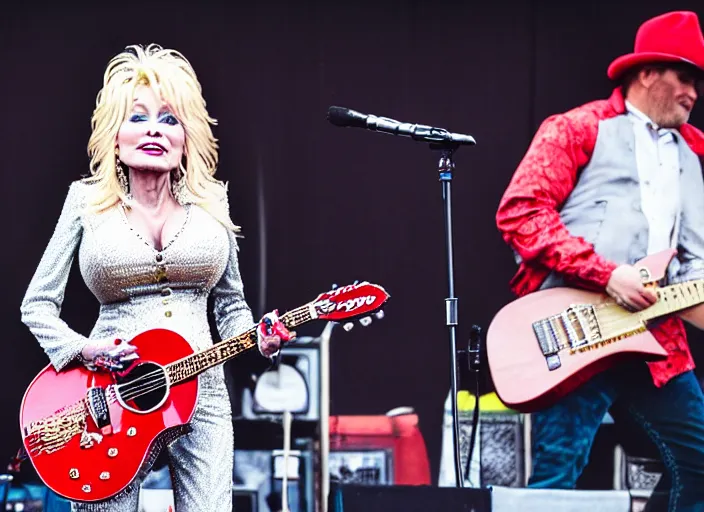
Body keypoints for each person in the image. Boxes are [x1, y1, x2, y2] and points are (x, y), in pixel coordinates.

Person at [20, 44, 289, 511]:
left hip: (202, 394)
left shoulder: (213, 206)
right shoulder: (86, 202)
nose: (154, 130)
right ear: (114, 134)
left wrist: (258, 340)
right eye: (138, 117)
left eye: (170, 119)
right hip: (109, 398)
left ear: (188, 136)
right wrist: (85, 350)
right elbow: (36, 305)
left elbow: (230, 306)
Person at [495, 10, 704, 512]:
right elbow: (520, 213)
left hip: (656, 339)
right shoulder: (577, 127)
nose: (693, 92)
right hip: (576, 333)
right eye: (685, 76)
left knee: (700, 468)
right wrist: (608, 274)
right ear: (646, 72)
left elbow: (694, 266)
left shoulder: (693, 154)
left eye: (698, 81)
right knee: (555, 480)